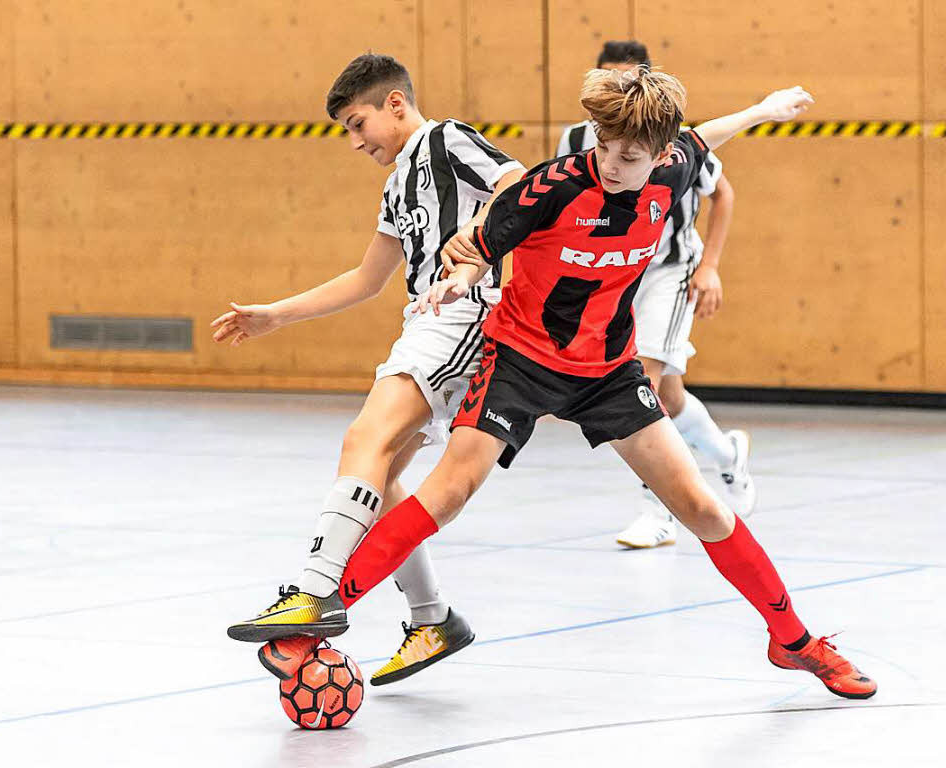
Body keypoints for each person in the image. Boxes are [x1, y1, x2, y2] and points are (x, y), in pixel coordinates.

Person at [227, 66, 877, 701]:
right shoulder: (550, 189)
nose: (614, 164)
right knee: (448, 492)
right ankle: (319, 614)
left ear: (659, 155)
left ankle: (793, 641)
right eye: (605, 148)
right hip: (520, 363)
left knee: (703, 508)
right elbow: (476, 243)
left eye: (631, 155)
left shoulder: (671, 170)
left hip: (608, 373)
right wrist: (460, 277)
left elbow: (706, 135)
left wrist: (764, 109)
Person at [212, 53, 525, 686]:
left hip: (463, 315)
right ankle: (431, 618)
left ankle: (312, 588)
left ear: (395, 104)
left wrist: (474, 252)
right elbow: (365, 279)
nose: (356, 143)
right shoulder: (396, 184)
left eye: (359, 125)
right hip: (423, 321)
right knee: (379, 478)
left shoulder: (445, 139)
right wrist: (277, 315)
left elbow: (520, 181)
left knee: (363, 440)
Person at [559, 40, 752, 550]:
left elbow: (722, 194)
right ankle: (726, 452)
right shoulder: (577, 139)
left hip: (669, 271)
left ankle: (660, 509)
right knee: (667, 396)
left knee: (639, 384)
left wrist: (709, 267)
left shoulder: (671, 139)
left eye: (628, 83)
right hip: (618, 276)